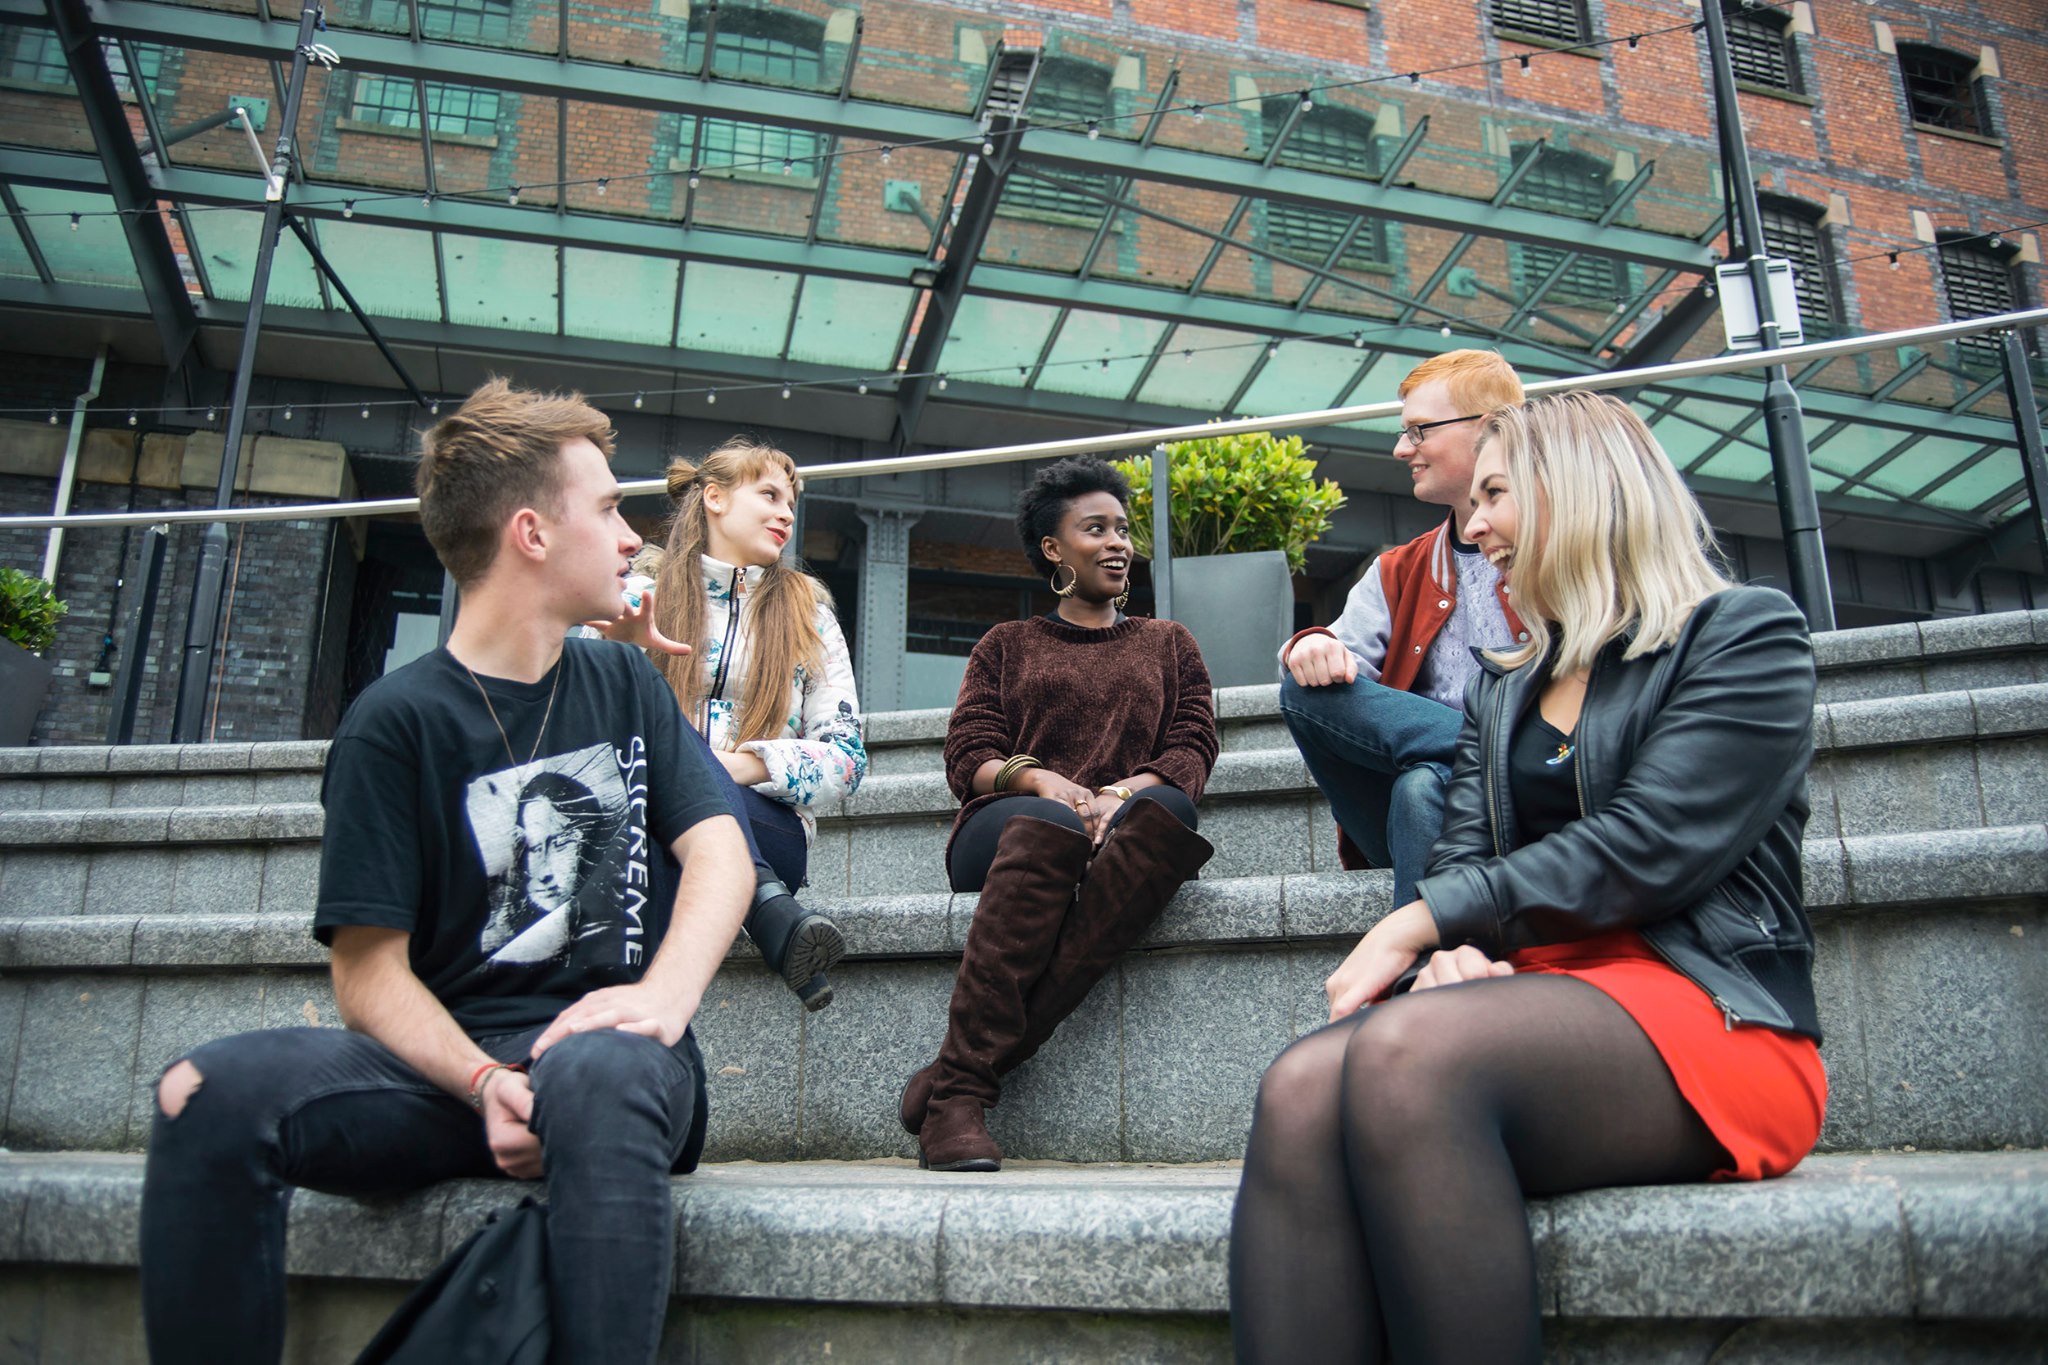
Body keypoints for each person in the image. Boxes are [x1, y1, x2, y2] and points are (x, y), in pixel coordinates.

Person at [139, 379, 771, 1365]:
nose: (627, 537)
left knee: (597, 1073)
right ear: (529, 532)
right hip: (451, 1073)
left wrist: (662, 1001)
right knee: (196, 1091)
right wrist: (483, 1082)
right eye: (606, 508)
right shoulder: (393, 724)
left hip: (617, 1059)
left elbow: (721, 851)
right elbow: (366, 973)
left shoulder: (622, 681)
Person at [1228, 391, 1828, 1363]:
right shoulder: (1506, 682)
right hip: (1534, 1006)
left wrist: (1413, 929)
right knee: (1298, 1086)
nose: (1474, 526)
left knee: (1405, 1058)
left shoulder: (1740, 635)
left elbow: (1650, 844)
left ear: (1579, 492)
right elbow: (1463, 854)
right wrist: (1455, 958)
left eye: (1495, 496)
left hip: (1706, 1009)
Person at [899, 456, 1220, 1172]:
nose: (1118, 543)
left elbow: (1194, 744)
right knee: (1054, 825)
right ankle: (959, 1094)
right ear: (1053, 547)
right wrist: (1046, 784)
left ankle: (955, 1087)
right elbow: (968, 754)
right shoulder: (1006, 644)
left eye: (1124, 529)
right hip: (1012, 823)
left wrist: (1120, 791)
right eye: (1095, 528)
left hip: (1130, 823)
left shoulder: (1170, 643)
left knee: (1167, 815)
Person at [1278, 349, 1527, 907]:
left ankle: (1413, 984)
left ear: (1490, 430)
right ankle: (1490, 755)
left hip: (1519, 802)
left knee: (1422, 786)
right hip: (1453, 799)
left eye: (1418, 430)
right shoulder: (1400, 568)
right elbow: (1340, 671)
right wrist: (1315, 645)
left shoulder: (1562, 546)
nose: (1400, 449)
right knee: (1302, 688)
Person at [635, 439, 865, 1011]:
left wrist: (731, 767)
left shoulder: (810, 615)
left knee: (668, 783)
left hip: (768, 827)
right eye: (768, 495)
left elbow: (846, 756)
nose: (786, 513)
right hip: (646, 821)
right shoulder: (637, 600)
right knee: (652, 731)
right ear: (713, 497)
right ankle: (768, 908)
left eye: (790, 502)